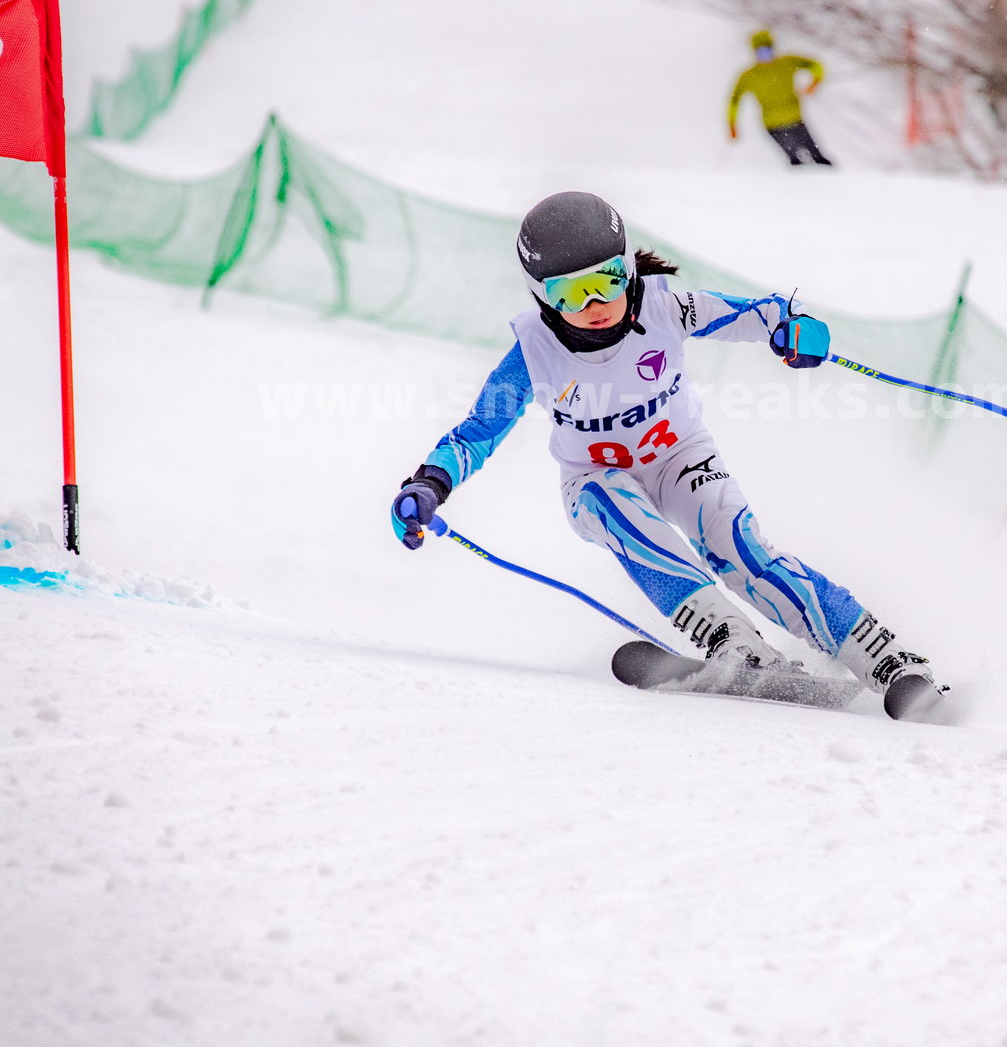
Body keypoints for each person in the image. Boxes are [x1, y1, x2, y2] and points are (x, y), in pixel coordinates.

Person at [391, 191, 943, 718]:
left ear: (629, 270)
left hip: (680, 456)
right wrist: (428, 485)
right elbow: (477, 432)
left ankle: (883, 657)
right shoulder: (534, 353)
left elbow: (761, 312)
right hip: (594, 478)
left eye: (607, 282)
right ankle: (737, 645)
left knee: (742, 551)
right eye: (570, 294)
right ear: (541, 296)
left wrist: (793, 330)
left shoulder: (664, 307)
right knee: (618, 507)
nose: (596, 306)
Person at [728, 30, 833, 166]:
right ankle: (799, 185)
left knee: (818, 157)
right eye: (760, 51)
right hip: (772, 125)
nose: (764, 54)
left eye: (767, 49)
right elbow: (735, 100)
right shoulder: (749, 76)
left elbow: (815, 65)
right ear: (754, 52)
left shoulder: (787, 62)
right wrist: (732, 124)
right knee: (795, 160)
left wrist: (815, 82)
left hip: (795, 119)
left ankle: (832, 183)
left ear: (772, 48)